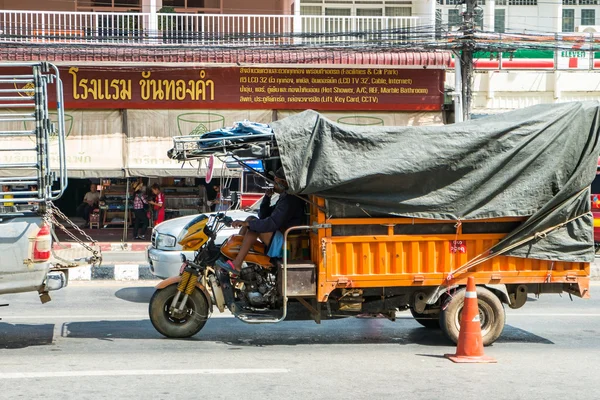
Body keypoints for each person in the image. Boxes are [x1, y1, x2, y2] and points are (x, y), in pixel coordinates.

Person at [215, 167, 305, 275]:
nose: (274, 184)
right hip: (281, 237)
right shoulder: (284, 197)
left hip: (286, 242)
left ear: (284, 183)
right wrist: (266, 198)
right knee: (250, 220)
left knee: (253, 227)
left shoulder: (290, 199)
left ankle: (237, 263)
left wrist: (248, 224)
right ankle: (238, 259)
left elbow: (272, 223)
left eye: (277, 182)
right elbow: (263, 215)